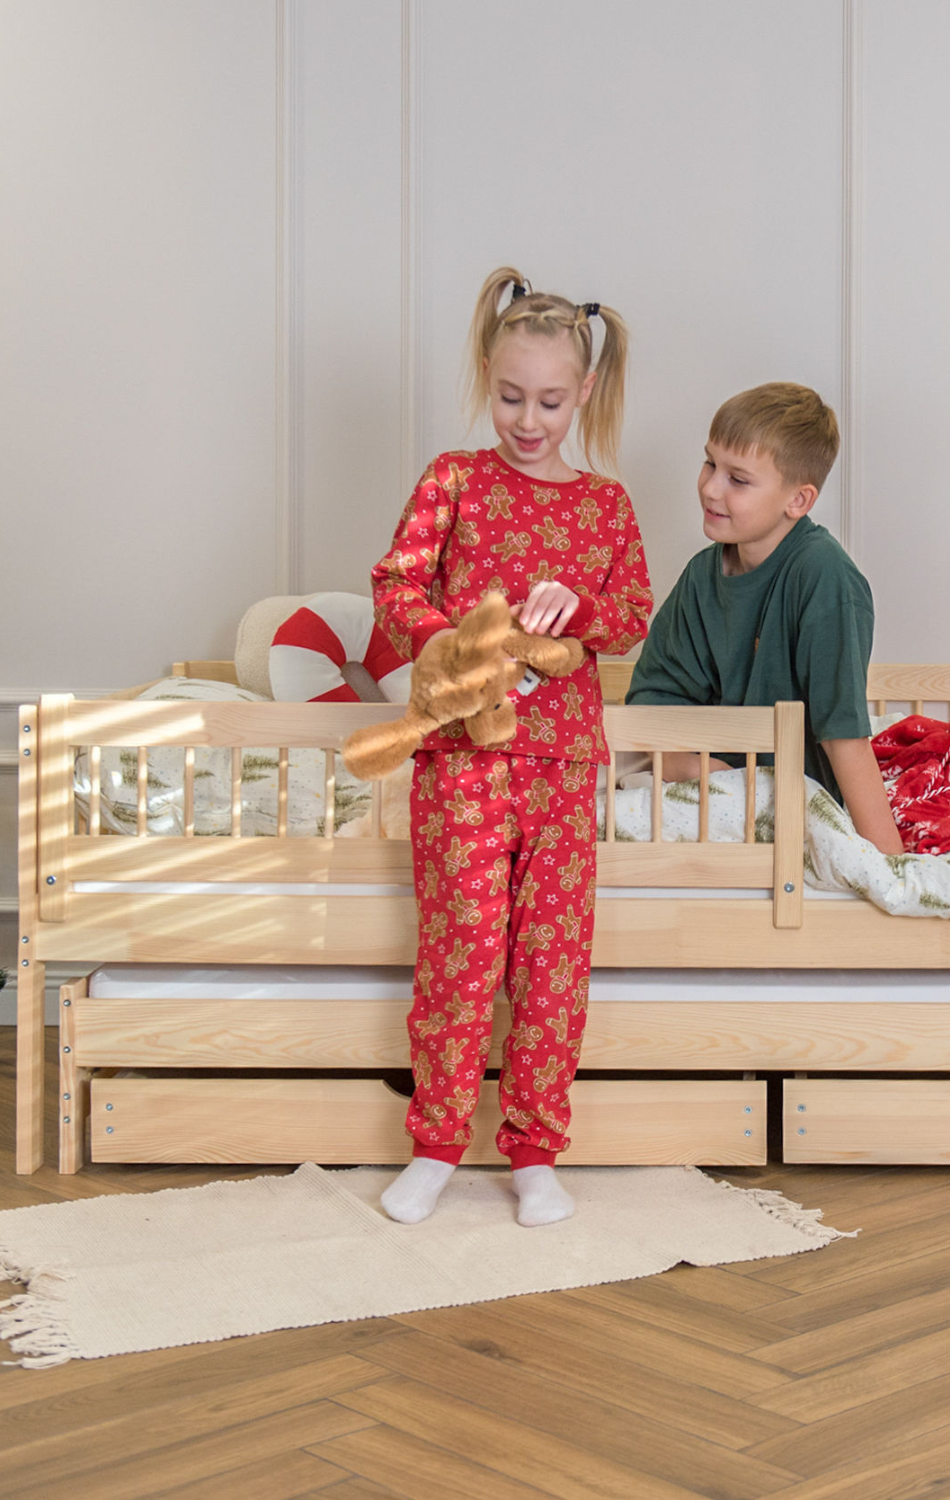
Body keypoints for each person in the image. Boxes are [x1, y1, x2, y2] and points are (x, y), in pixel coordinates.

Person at [371, 266, 651, 1226]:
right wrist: (456, 640)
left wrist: (580, 608)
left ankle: (535, 1154)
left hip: (563, 770)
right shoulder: (453, 480)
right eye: (509, 397)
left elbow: (632, 613)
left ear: (585, 393)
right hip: (463, 764)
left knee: (550, 967)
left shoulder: (605, 506)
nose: (528, 421)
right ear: (486, 381)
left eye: (550, 401)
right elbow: (396, 585)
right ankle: (436, 1146)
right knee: (459, 957)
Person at [626, 383, 904, 855]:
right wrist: (687, 765)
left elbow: (844, 736)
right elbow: (652, 703)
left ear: (798, 500)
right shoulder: (701, 575)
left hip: (792, 793)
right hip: (702, 775)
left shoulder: (825, 577)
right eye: (710, 463)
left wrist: (890, 865)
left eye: (738, 479)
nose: (710, 488)